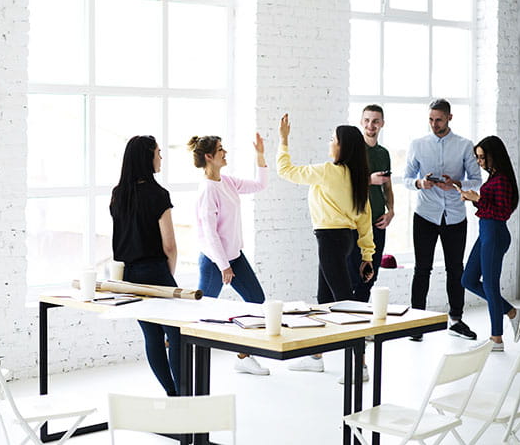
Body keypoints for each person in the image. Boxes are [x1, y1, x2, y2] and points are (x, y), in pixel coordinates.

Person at [277, 114, 374, 374]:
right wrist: (367, 255)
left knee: (343, 302)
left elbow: (286, 171)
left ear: (342, 146)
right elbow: (365, 219)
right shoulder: (357, 176)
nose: (329, 143)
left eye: (333, 139)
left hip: (330, 240)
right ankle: (315, 356)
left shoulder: (327, 171)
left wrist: (284, 140)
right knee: (324, 299)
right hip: (346, 241)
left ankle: (359, 363)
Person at [188, 133, 270, 376]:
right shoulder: (207, 190)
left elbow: (260, 185)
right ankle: (183, 352)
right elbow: (210, 234)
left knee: (256, 300)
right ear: (209, 157)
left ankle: (244, 357)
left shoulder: (227, 182)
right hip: (215, 261)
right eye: (220, 149)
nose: (225, 153)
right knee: (202, 312)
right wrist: (224, 265)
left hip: (234, 256)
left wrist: (260, 156)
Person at [403, 98, 482, 341]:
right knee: (422, 269)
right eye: (430, 119)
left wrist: (455, 183)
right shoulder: (417, 144)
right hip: (425, 214)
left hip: (455, 216)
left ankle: (456, 320)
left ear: (449, 118)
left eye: (438, 119)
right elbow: (407, 178)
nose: (434, 124)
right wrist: (420, 183)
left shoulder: (465, 145)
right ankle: (417, 324)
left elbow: (476, 180)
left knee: (455, 269)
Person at [109, 135, 180, 396]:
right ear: (147, 157)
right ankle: (184, 398)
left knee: (152, 336)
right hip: (156, 271)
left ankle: (172, 394)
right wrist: (168, 275)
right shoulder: (158, 194)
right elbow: (169, 245)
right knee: (177, 335)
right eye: (158, 153)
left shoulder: (118, 195)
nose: (161, 157)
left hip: (128, 275)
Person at [459, 136, 520, 352]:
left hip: (494, 233)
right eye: (477, 157)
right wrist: (472, 198)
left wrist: (478, 199)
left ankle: (496, 339)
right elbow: (489, 206)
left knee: (490, 285)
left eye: (483, 157)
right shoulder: (493, 178)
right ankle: (512, 312)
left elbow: (502, 213)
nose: (480, 162)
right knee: (468, 279)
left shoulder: (502, 180)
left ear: (495, 155)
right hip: (486, 232)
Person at [348, 105, 394, 301]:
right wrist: (369, 179)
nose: (371, 125)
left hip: (378, 221)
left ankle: (361, 322)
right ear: (361, 121)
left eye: (375, 121)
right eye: (367, 120)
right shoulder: (353, 150)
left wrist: (391, 211)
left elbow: (388, 187)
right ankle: (351, 325)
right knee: (353, 276)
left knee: (370, 276)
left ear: (382, 124)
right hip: (356, 222)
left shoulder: (384, 153)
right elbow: (344, 182)